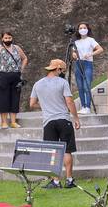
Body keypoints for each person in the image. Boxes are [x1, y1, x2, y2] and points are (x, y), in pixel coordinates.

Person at [29, 59, 81, 188]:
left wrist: (46, 106)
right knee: (67, 151)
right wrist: (76, 118)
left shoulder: (38, 84)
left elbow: (32, 104)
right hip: (64, 120)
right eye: (62, 70)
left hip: (48, 122)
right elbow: (69, 101)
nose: (62, 73)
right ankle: (69, 180)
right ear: (57, 69)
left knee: (53, 152)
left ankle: (55, 181)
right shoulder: (62, 82)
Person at [0, 31, 29, 129]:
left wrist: (21, 69)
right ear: (2, 39)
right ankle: (4, 122)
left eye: (9, 38)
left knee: (15, 98)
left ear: (12, 38)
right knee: (3, 98)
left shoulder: (17, 48)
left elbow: (25, 58)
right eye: (6, 38)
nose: (8, 40)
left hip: (16, 75)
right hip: (2, 75)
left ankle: (13, 122)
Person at [72, 22, 104, 114]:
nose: (82, 29)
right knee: (80, 87)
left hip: (87, 63)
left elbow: (100, 49)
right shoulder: (75, 42)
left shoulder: (91, 40)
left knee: (87, 86)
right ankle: (83, 106)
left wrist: (91, 54)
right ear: (78, 30)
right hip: (78, 63)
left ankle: (88, 107)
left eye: (84, 27)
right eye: (80, 28)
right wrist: (73, 54)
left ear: (87, 29)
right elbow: (73, 53)